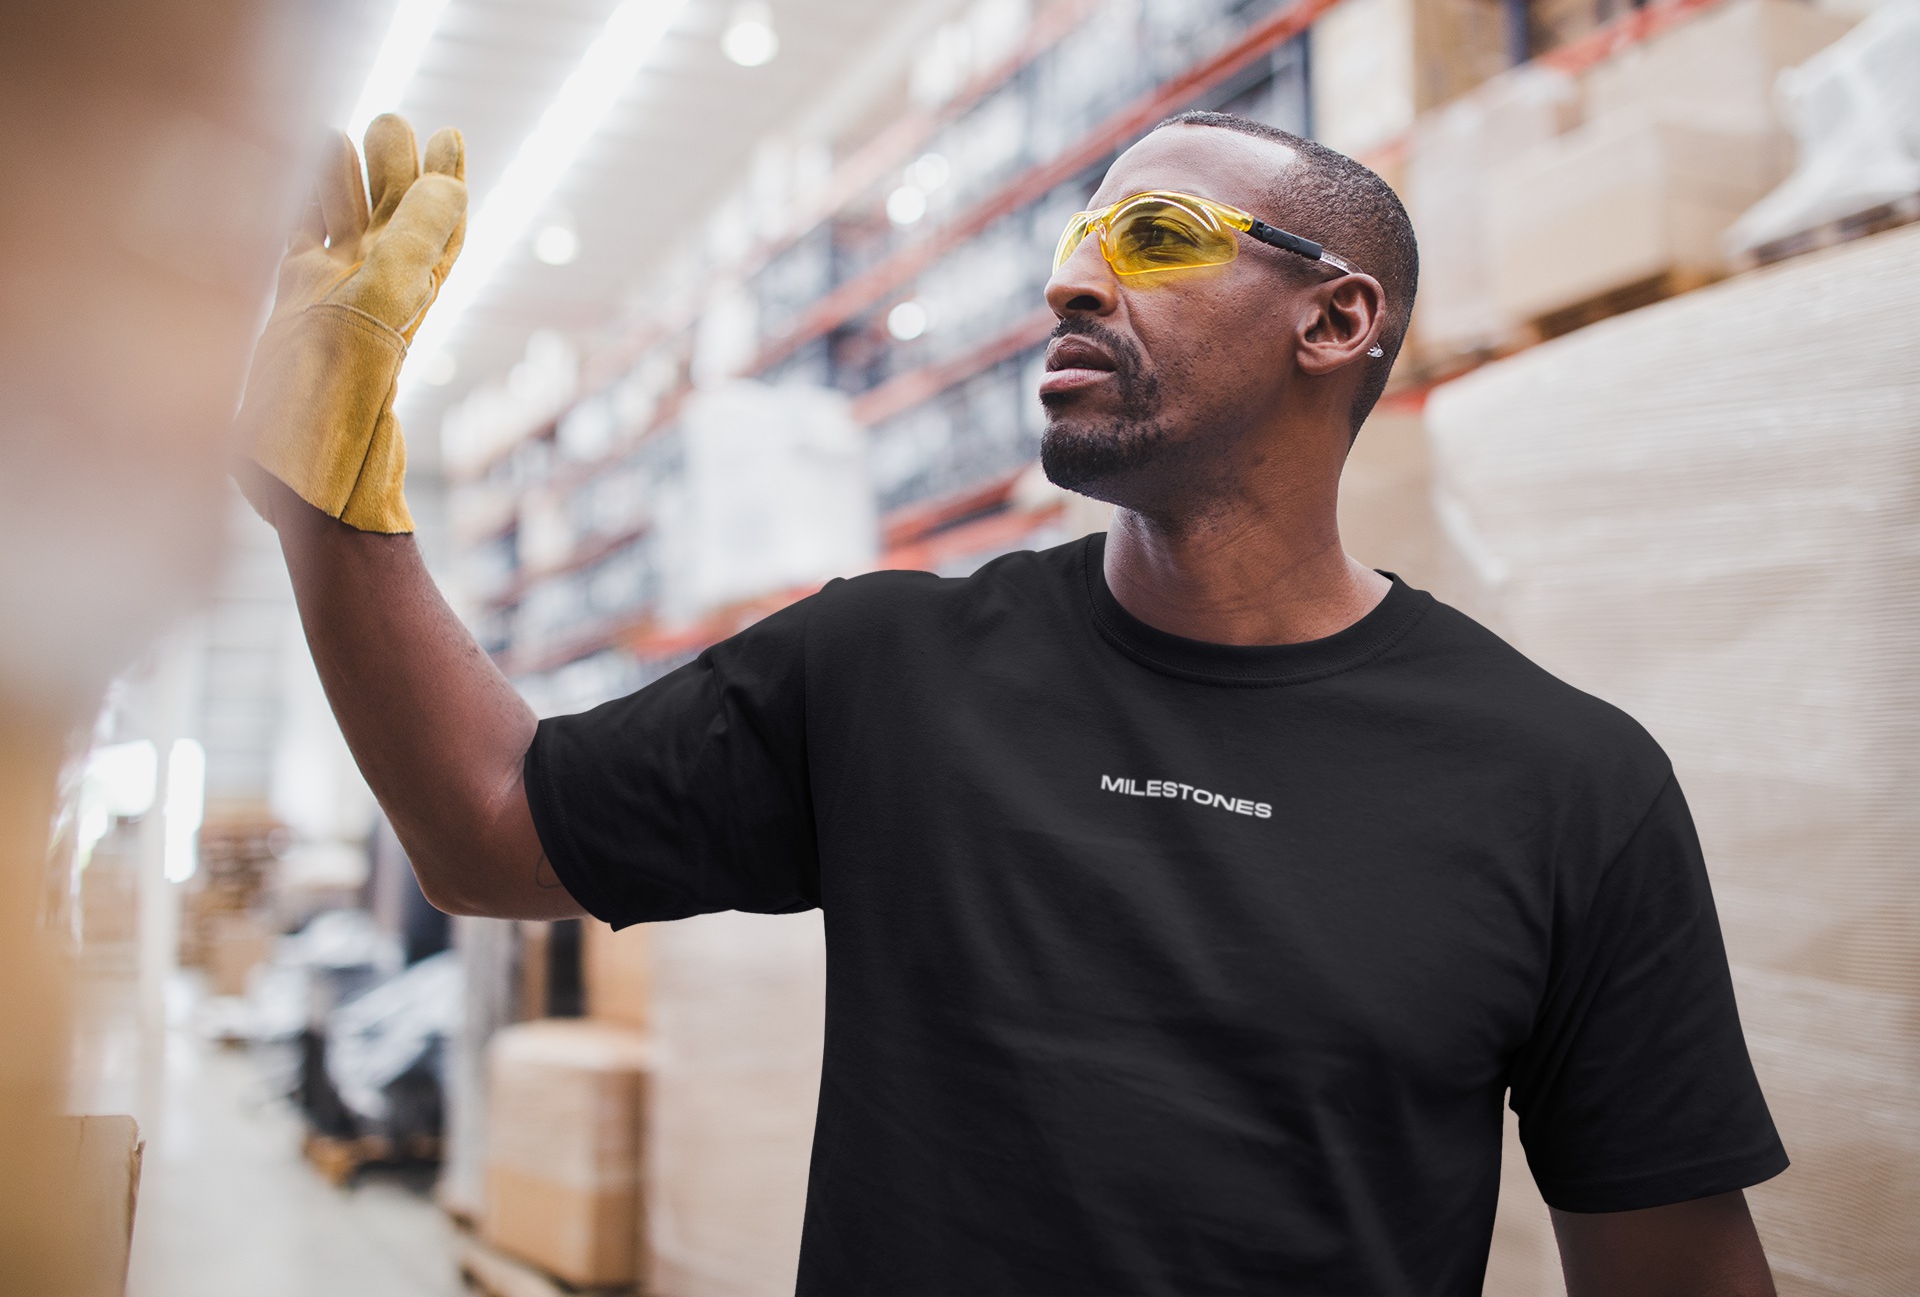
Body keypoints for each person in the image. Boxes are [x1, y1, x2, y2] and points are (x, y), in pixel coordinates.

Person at [241, 109, 1787, 1295]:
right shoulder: (884, 672)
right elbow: (488, 832)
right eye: (1074, 238)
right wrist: (330, 511)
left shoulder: (1565, 786)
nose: (1069, 278)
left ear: (1336, 321)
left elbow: (1673, 1271)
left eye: (1159, 236)